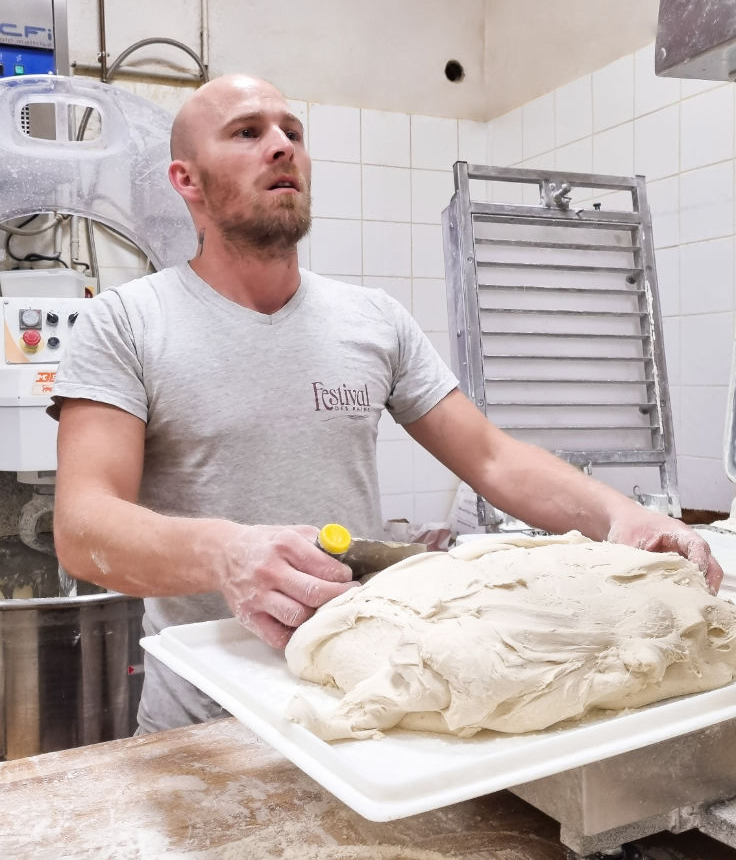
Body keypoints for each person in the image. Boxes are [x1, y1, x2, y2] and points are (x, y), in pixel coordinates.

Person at [50, 74, 723, 734]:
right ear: (186, 181)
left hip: (357, 709)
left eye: (292, 131)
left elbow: (491, 459)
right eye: (247, 133)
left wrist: (621, 514)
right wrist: (226, 553)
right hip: (199, 725)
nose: (282, 146)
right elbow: (83, 528)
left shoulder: (371, 319)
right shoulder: (127, 322)